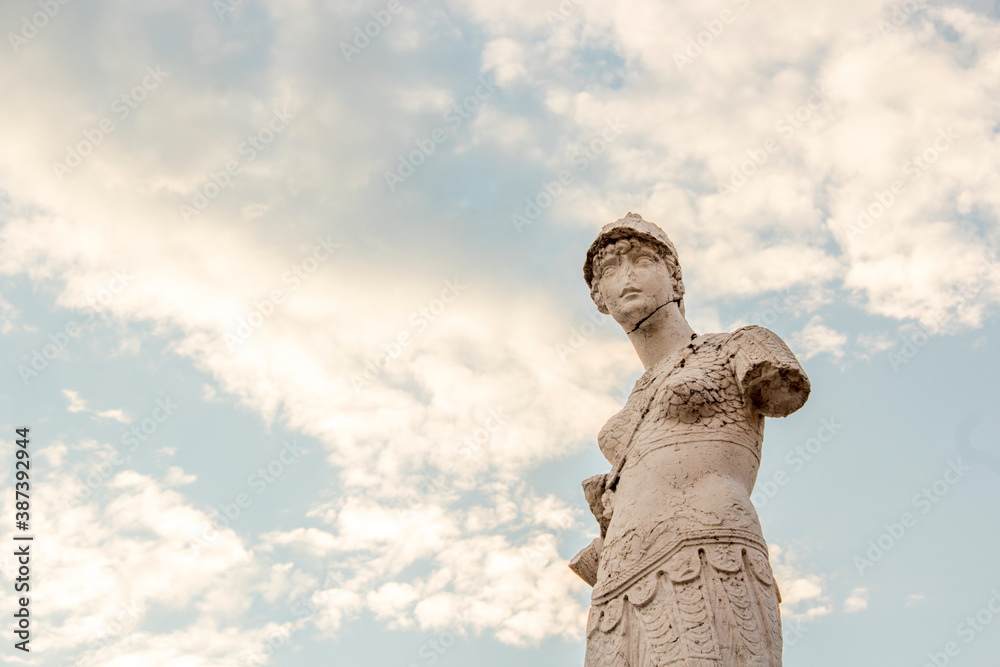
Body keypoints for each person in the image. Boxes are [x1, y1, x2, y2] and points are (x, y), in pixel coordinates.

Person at [571, 213, 810, 667]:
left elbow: (784, 391)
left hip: (706, 547)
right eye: (610, 270)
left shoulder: (739, 345)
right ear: (599, 299)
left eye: (642, 260)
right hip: (617, 584)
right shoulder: (631, 406)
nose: (626, 277)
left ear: (675, 278)